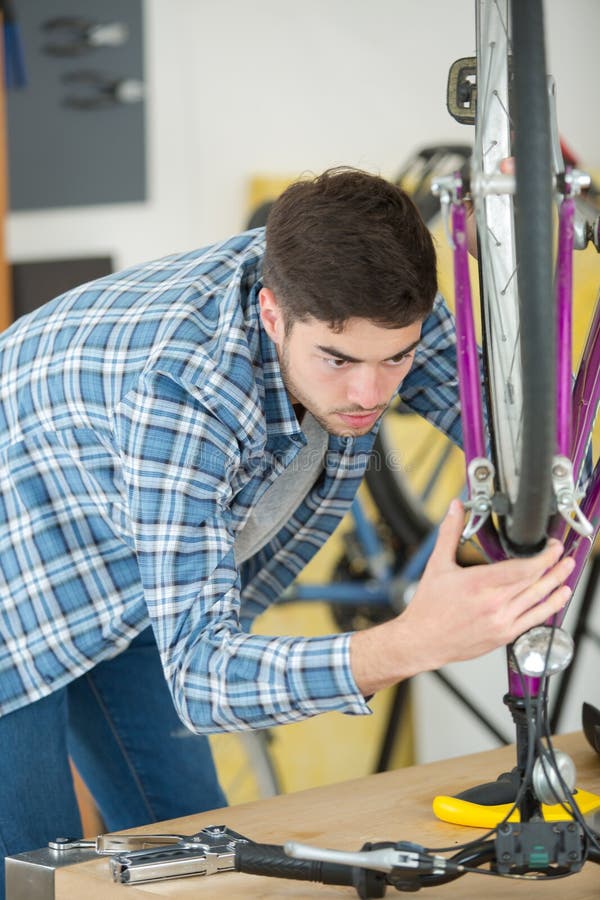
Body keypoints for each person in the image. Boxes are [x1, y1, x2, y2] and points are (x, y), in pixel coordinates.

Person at [0, 167, 573, 888]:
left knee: (192, 858)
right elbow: (204, 680)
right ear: (273, 315)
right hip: (12, 578)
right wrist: (409, 642)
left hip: (126, 568)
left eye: (394, 357)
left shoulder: (374, 302)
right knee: (39, 878)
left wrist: (549, 488)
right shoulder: (185, 396)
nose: (370, 394)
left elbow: (509, 439)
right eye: (337, 361)